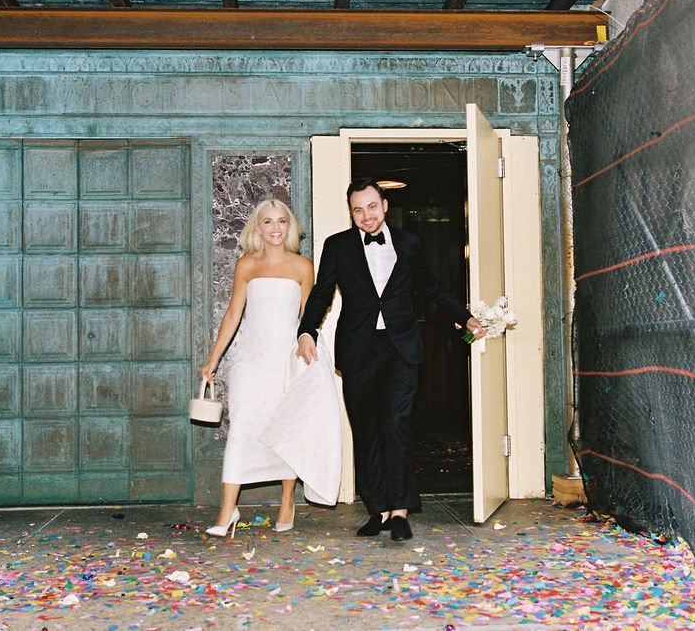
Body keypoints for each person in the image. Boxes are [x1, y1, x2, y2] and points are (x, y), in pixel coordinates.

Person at [297, 178, 484, 541]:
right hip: (358, 349)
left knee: (395, 423)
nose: (366, 215)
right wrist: (307, 331)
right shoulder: (338, 246)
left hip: (400, 348)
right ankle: (378, 509)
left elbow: (433, 289)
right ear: (351, 213)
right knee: (366, 429)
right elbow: (321, 294)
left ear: (384, 205)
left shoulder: (411, 242)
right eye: (357, 210)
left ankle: (400, 510)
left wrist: (464, 316)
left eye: (371, 206)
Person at [201, 198, 341, 538]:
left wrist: (310, 345)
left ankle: (287, 501)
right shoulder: (246, 265)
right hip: (250, 361)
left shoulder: (303, 266)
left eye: (281, 221)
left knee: (286, 429)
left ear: (289, 227)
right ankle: (227, 511)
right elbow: (233, 315)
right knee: (242, 431)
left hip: (287, 360)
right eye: (268, 222)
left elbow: (311, 314)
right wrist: (213, 359)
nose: (275, 227)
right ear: (258, 228)